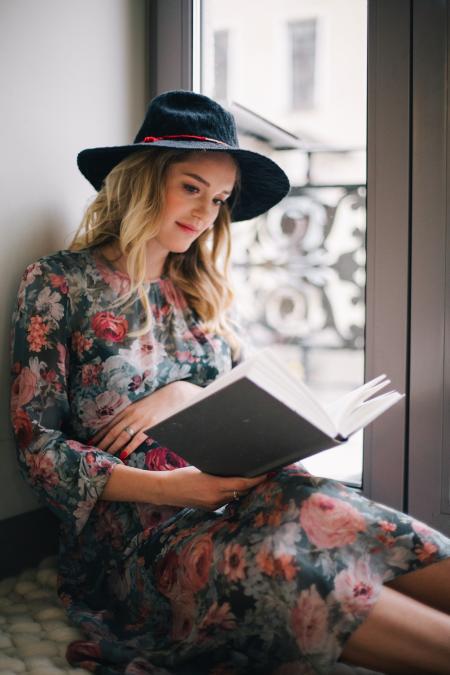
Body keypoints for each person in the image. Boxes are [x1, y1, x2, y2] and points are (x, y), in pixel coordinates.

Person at [9, 89, 450, 675]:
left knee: (338, 513)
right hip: (143, 531)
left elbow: (245, 398)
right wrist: (179, 490)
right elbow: (36, 446)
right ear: (142, 181)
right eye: (191, 187)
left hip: (246, 490)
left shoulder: (201, 293)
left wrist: (181, 395)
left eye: (218, 199)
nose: (205, 212)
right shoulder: (58, 284)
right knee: (276, 568)